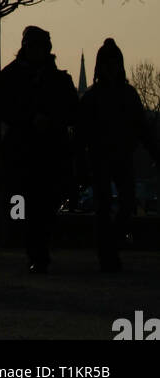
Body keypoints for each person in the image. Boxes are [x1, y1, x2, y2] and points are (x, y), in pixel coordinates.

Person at [0, 26, 78, 273]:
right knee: (32, 204)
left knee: (44, 204)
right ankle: (37, 251)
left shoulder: (53, 79)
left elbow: (72, 112)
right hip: (27, 151)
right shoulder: (15, 77)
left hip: (45, 151)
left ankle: (37, 249)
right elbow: (3, 110)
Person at [78, 38, 160, 272]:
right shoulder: (109, 97)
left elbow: (143, 130)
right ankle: (109, 250)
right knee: (110, 206)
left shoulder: (100, 97)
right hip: (107, 157)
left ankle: (108, 248)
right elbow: (143, 131)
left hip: (114, 156)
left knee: (119, 206)